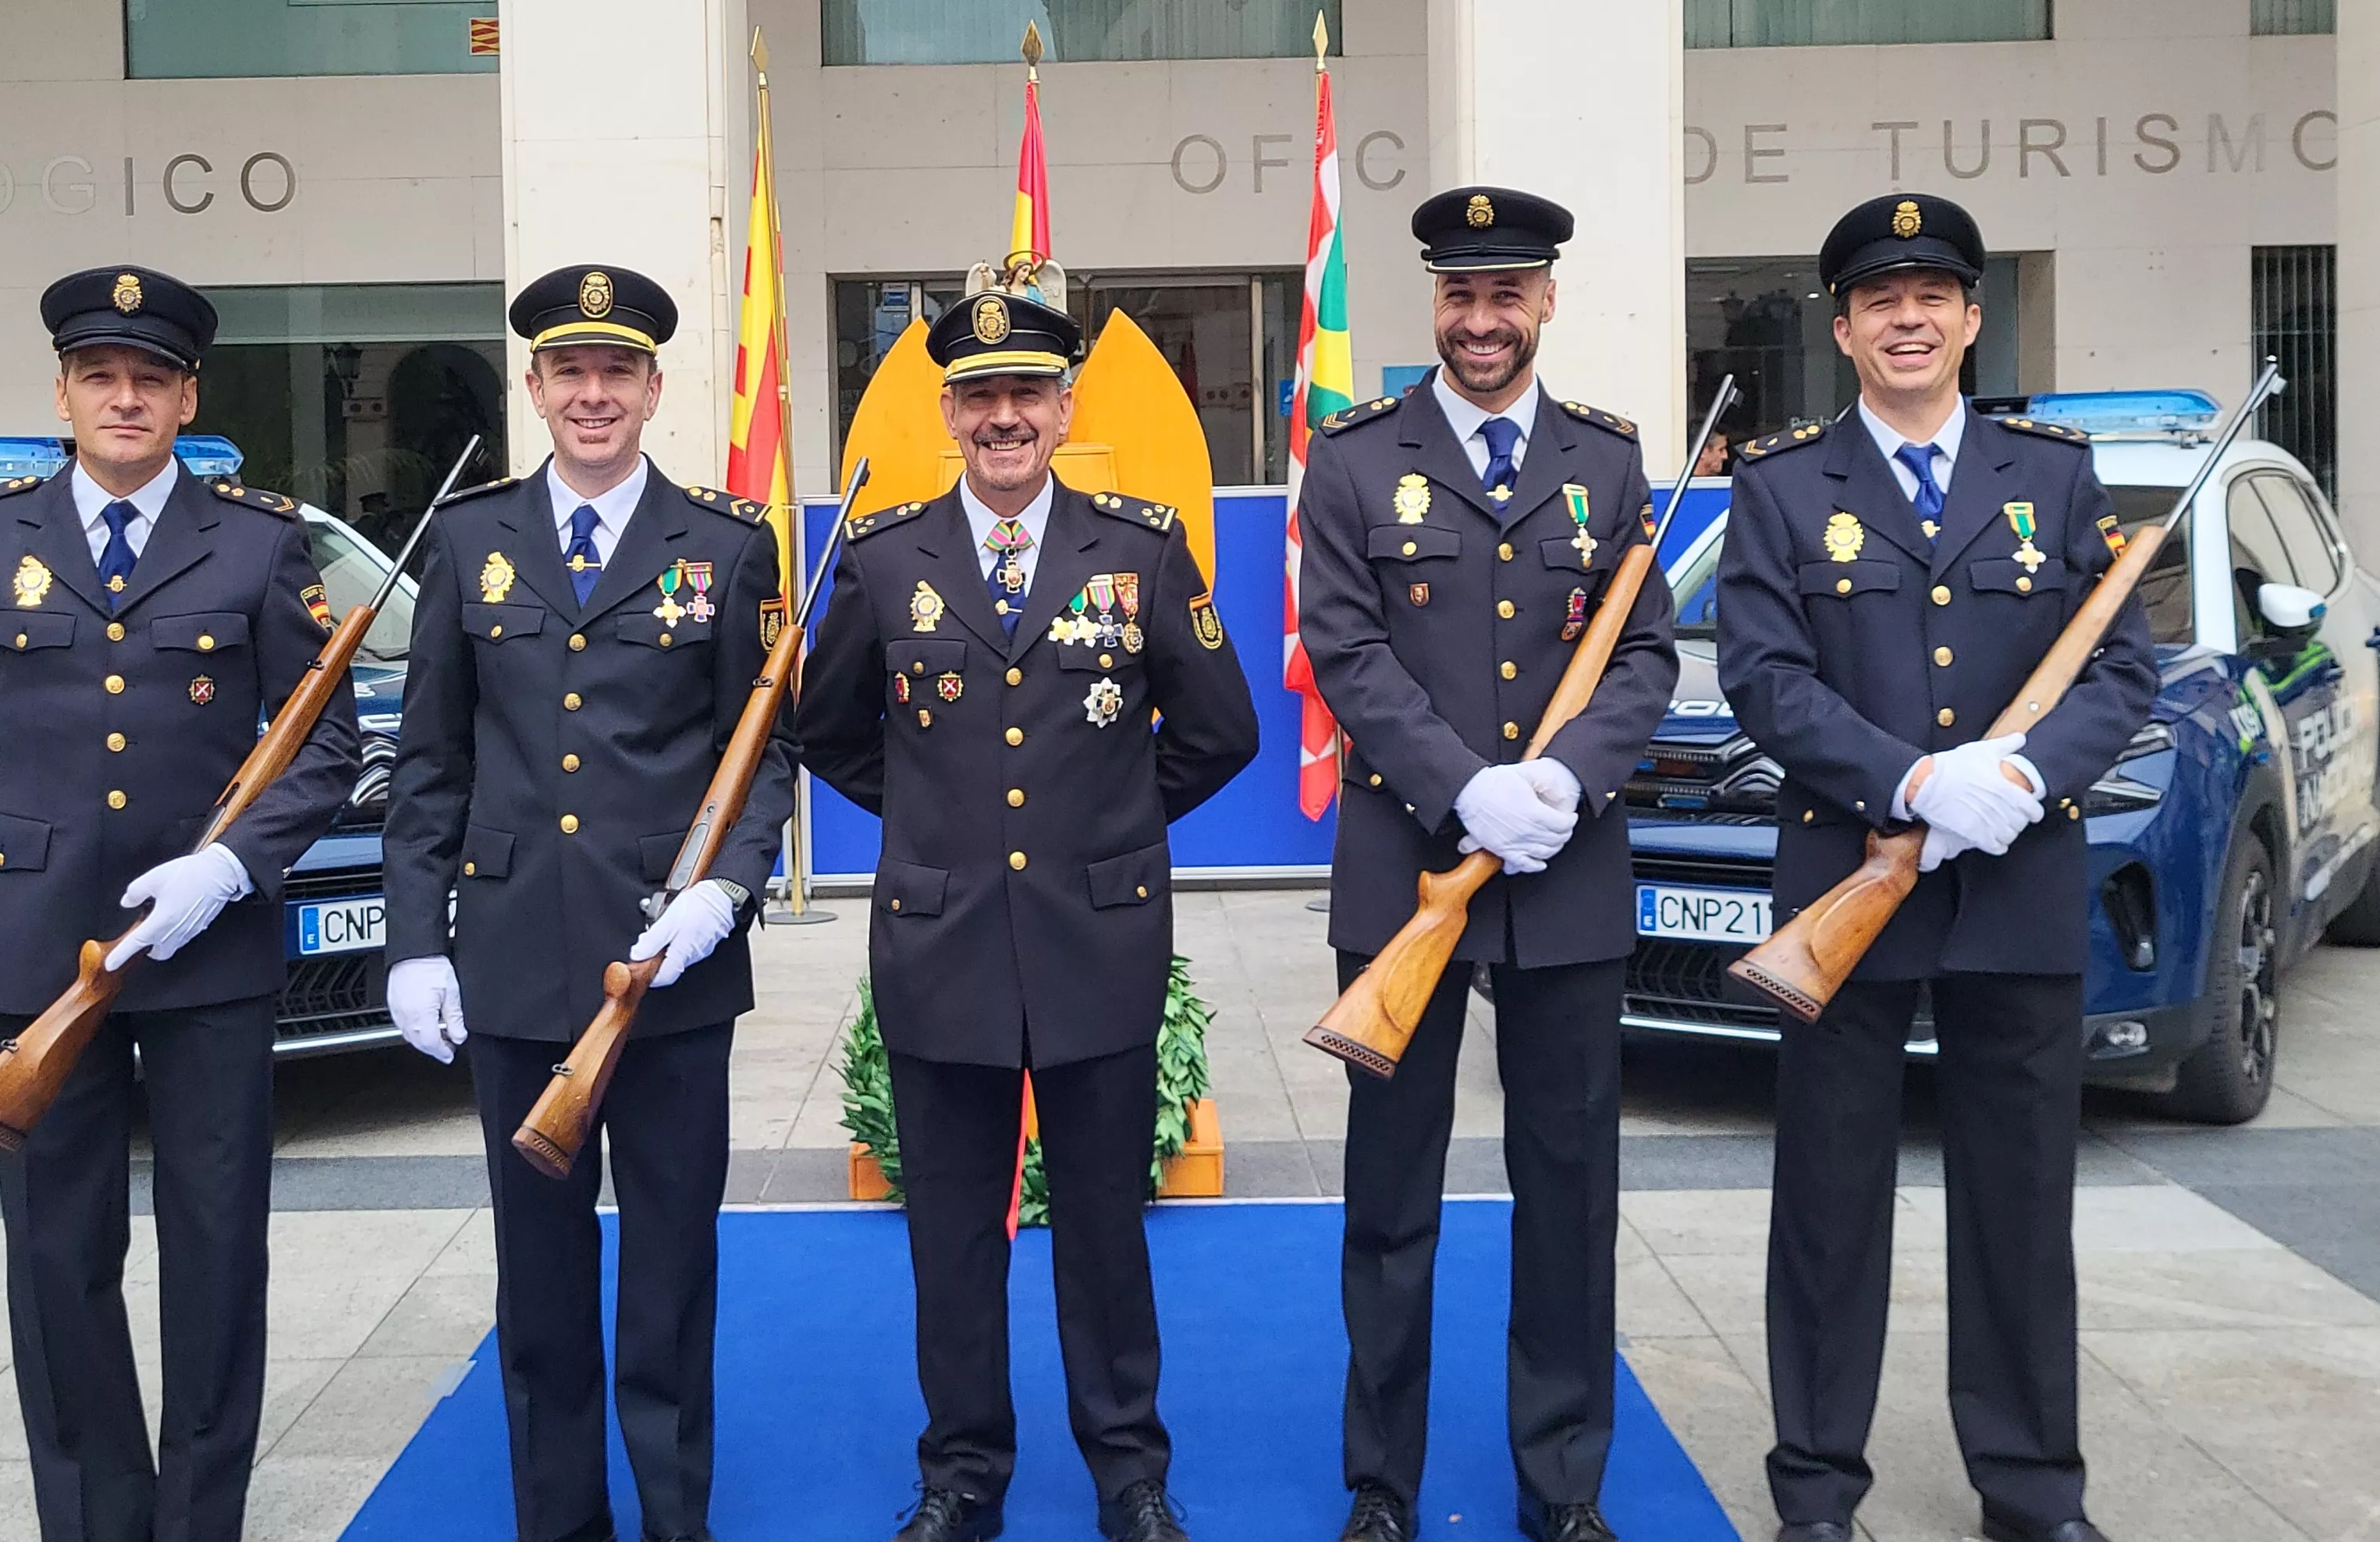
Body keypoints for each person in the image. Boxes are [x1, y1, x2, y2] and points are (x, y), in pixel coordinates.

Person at [0, 265, 360, 1542]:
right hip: (38, 952)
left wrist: (231, 865)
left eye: (152, 379)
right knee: (57, 1262)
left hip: (209, 952)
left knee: (214, 1257)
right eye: (103, 376)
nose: (126, 399)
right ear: (65, 391)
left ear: (187, 394)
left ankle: (201, 1523)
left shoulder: (258, 541)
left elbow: (325, 742)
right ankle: (95, 1520)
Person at [1715, 194, 2157, 1542]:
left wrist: (2021, 777)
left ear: (1970, 319)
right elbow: (1762, 679)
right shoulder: (1784, 486)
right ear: (1843, 329)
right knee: (1830, 1206)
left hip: (2014, 890)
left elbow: (2119, 663)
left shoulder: (2053, 477)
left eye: (1934, 297)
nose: (1908, 319)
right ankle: (1816, 1494)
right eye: (1879, 301)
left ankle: (2031, 1491)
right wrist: (1910, 782)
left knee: (2021, 1206)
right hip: (1852, 885)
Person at [799, 289, 1259, 1542]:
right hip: (942, 943)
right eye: (981, 396)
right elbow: (826, 727)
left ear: (1064, 410)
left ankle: (1130, 1477)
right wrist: (935, 818)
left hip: (1097, 941)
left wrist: (1105, 817)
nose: (1004, 418)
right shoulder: (888, 557)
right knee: (952, 1241)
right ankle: (961, 1477)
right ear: (947, 411)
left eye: (1028, 395)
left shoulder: (1142, 549)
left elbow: (1223, 731)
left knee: (1106, 1233)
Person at [382, 263, 796, 1542]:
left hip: (667, 978)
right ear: (537, 386)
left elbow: (762, 749)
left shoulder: (727, 546)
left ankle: (676, 1522)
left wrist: (727, 889)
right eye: (573, 370)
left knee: (669, 1278)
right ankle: (559, 1524)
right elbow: (433, 759)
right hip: (510, 966)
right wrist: (414, 944)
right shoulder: (470, 541)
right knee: (541, 1284)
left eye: (620, 371)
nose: (596, 393)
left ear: (656, 387)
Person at [1295, 186, 1678, 1542]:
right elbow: (1343, 650)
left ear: (1547, 302)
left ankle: (1563, 1484)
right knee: (1390, 1199)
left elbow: (1644, 655)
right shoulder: (1349, 462)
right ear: (1433, 306)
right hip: (1411, 869)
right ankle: (1381, 1485)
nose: (1482, 319)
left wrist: (1562, 783)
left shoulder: (1611, 461)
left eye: (1507, 292)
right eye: (1460, 295)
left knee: (1569, 1190)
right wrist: (1470, 791)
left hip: (1567, 871)